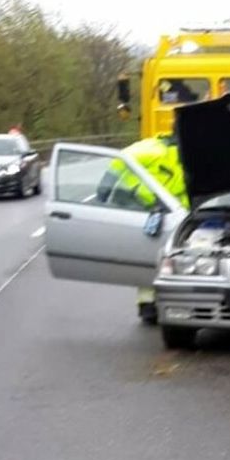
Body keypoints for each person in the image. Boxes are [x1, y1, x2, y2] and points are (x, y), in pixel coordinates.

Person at [95, 135, 189, 323]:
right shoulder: (151, 150)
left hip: (178, 215)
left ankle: (154, 304)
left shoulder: (185, 153)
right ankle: (148, 304)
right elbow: (119, 163)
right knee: (152, 257)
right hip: (146, 212)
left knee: (164, 258)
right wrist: (105, 190)